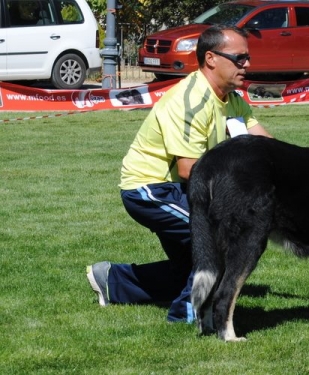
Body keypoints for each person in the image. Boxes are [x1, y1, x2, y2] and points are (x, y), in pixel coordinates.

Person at [86, 25, 272, 323]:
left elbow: (266, 146)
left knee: (189, 267)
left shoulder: (232, 99)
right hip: (151, 190)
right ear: (211, 58)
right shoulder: (190, 99)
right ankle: (190, 314)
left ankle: (111, 280)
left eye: (247, 58)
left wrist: (299, 170)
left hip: (185, 190)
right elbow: (189, 169)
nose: (247, 64)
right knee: (218, 237)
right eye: (239, 58)